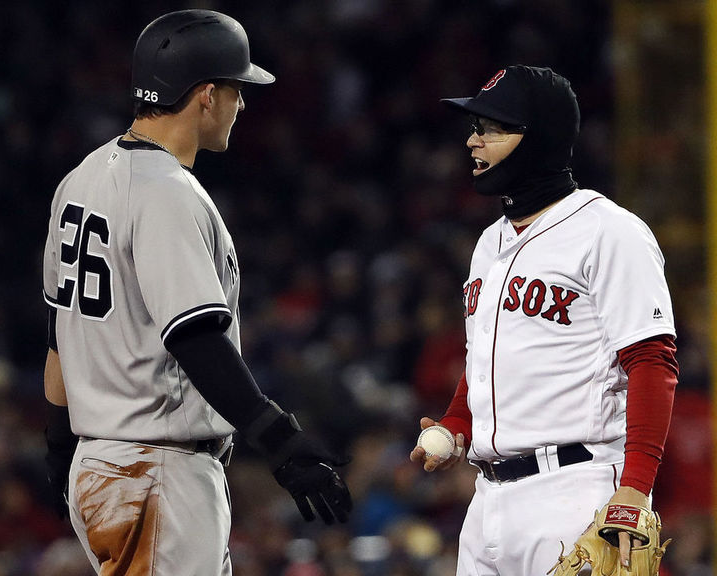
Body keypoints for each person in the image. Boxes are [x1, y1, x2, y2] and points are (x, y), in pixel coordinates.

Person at [42, 10, 351, 575]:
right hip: (155, 468)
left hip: (102, 462)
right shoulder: (165, 191)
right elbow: (195, 337)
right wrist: (279, 441)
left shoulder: (81, 178)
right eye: (237, 90)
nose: (242, 104)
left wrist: (61, 443)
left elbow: (59, 333)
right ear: (206, 95)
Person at [409, 66, 678, 575]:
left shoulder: (609, 231)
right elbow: (487, 360)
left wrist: (635, 489)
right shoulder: (490, 242)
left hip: (575, 491)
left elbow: (651, 361)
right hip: (485, 500)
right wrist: (458, 422)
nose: (473, 141)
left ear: (539, 139)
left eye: (490, 128)